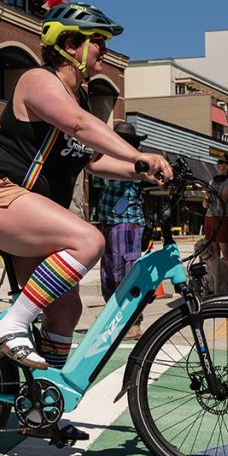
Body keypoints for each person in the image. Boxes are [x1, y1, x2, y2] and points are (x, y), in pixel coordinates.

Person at [0, 0, 172, 378]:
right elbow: (78, 125)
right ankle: (11, 325)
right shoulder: (38, 81)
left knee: (66, 309)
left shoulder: (80, 97)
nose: (103, 49)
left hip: (24, 208)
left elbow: (90, 158)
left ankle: (45, 402)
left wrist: (140, 172)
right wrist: (140, 155)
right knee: (90, 240)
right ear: (70, 45)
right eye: (97, 41)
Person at [94, 121, 148, 339]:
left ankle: (132, 320)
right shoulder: (115, 160)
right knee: (108, 273)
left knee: (124, 271)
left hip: (126, 222)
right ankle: (115, 316)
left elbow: (108, 181)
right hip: (110, 221)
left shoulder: (133, 163)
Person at [204, 153, 228, 292]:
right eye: (218, 161)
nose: (218, 164)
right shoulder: (213, 181)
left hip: (224, 218)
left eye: (221, 162)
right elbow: (205, 205)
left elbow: (222, 200)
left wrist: (210, 194)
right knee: (213, 251)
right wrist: (206, 198)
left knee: (226, 251)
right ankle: (214, 281)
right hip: (210, 216)